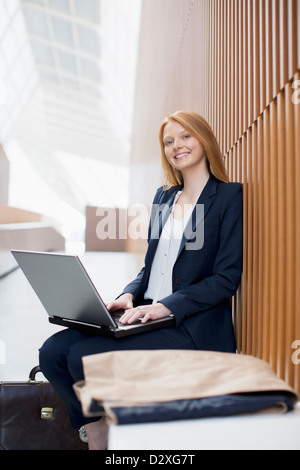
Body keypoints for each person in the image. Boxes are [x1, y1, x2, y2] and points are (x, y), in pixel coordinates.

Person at [39, 111, 243, 449]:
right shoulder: (165, 198)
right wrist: (129, 295)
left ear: (204, 139)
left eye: (185, 136)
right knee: (52, 353)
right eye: (168, 141)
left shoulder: (226, 197)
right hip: (146, 314)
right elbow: (149, 268)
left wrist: (167, 306)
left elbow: (226, 278)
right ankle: (97, 429)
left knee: (81, 357)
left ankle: (119, 436)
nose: (177, 145)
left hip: (191, 325)